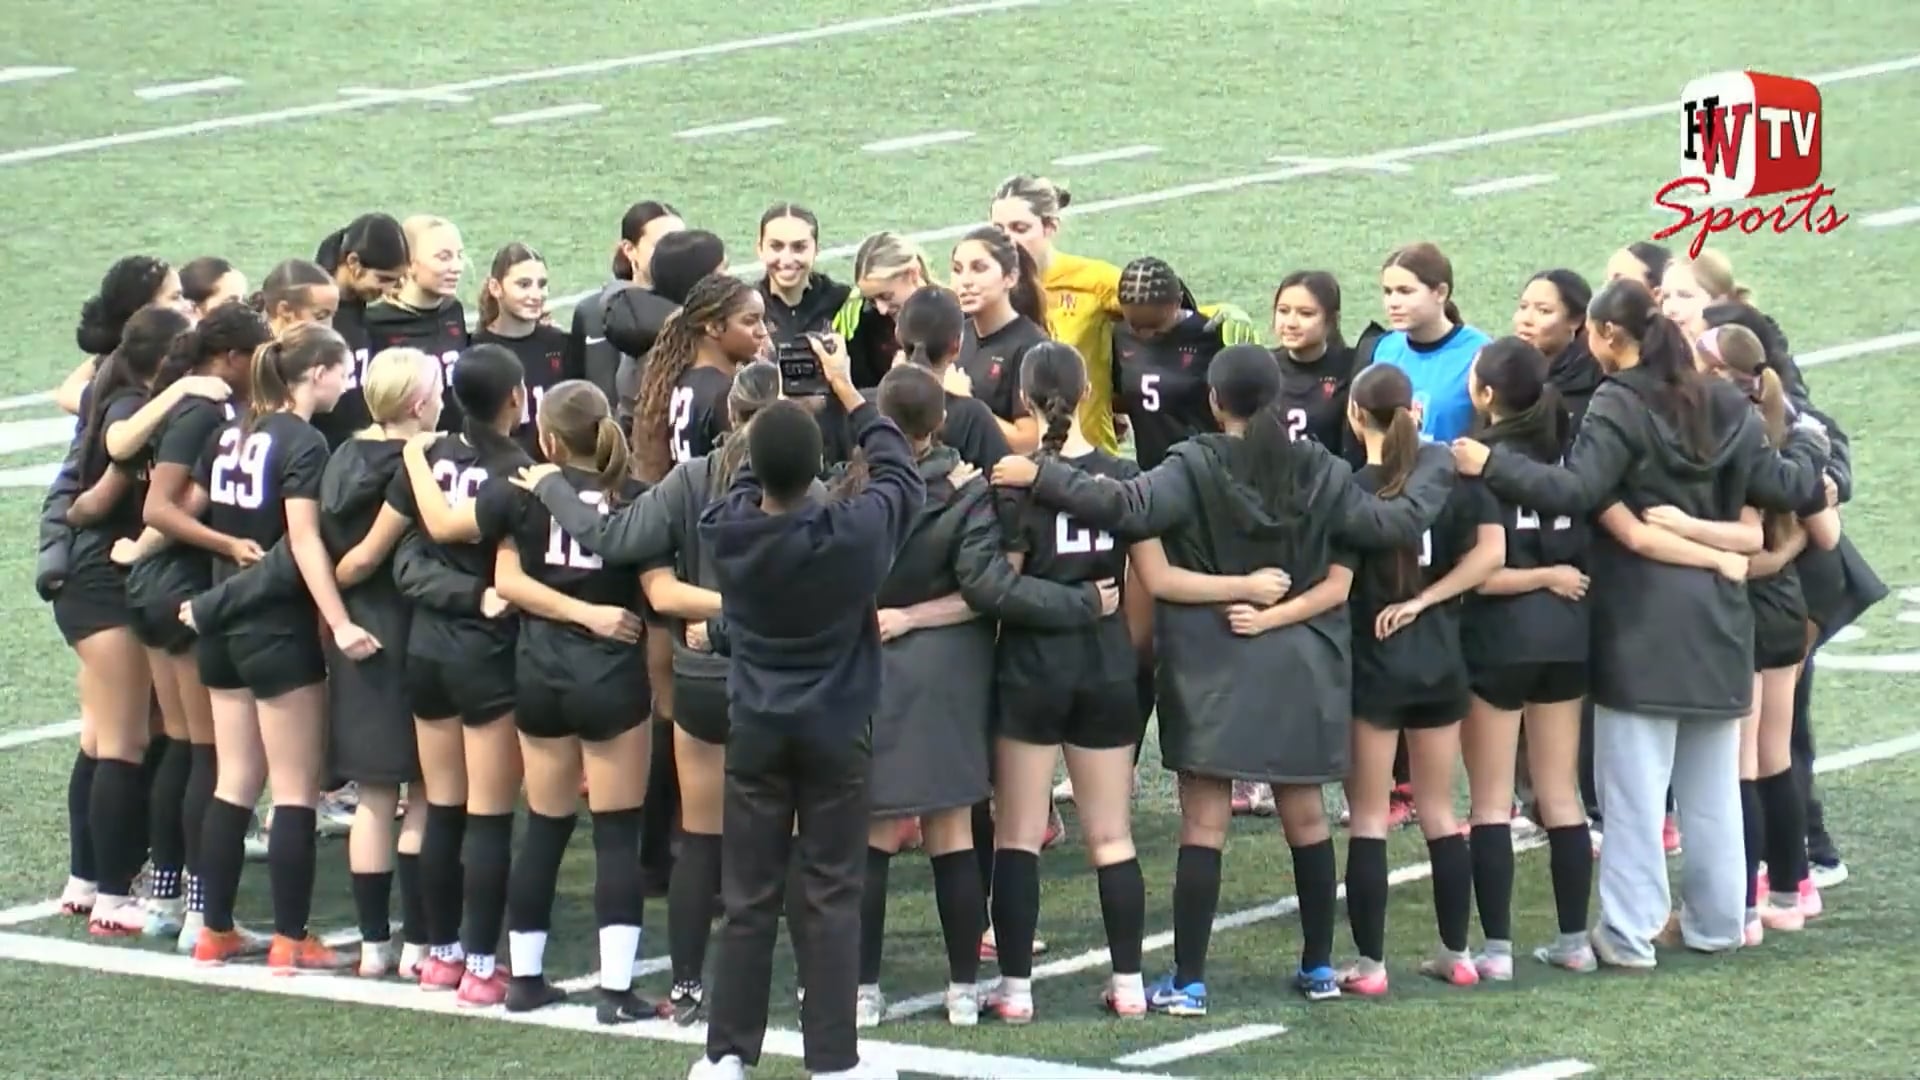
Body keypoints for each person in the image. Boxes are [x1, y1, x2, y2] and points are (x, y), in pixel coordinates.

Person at [1450, 278, 1828, 967]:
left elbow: (1576, 490)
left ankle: (1628, 935)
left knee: (1634, 794)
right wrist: (1809, 442)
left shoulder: (1616, 405)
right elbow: (1785, 485)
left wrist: (1491, 463)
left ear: (1606, 337)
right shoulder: (1721, 399)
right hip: (1719, 617)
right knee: (1712, 790)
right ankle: (1717, 925)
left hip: (1640, 621)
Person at [689, 333, 922, 1080]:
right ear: (817, 464)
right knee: (829, 893)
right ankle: (833, 1061)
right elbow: (899, 473)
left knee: (748, 896)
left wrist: (782, 413)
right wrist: (847, 393)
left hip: (756, 725)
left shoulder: (728, 530)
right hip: (834, 729)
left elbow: (739, 482)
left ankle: (726, 1055)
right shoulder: (853, 534)